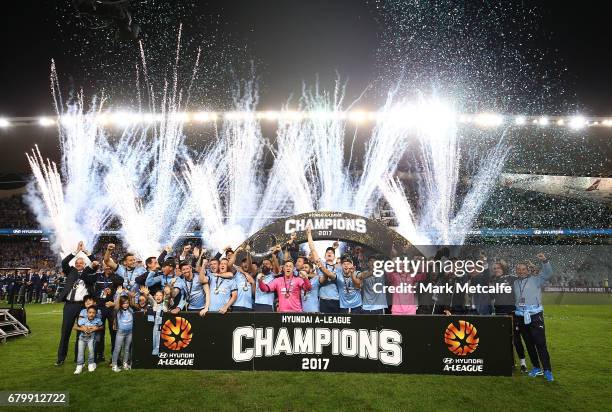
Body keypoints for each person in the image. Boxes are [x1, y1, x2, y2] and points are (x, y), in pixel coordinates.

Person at [55, 241, 99, 367]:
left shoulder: (89, 272)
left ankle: (78, 359)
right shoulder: (71, 271)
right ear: (75, 264)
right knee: (65, 332)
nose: (79, 265)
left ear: (85, 264)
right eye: (77, 263)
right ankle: (61, 358)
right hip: (70, 305)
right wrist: (76, 251)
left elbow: (95, 263)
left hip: (83, 307)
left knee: (81, 333)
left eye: (81, 263)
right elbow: (64, 263)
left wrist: (86, 252)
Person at [514, 253, 554, 381]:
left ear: (528, 270)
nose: (521, 272)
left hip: (535, 316)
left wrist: (545, 261)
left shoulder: (536, 279)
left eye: (523, 269)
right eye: (518, 270)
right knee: (529, 344)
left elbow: (548, 274)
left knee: (540, 344)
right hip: (520, 316)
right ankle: (536, 367)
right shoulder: (514, 282)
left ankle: (547, 370)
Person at [490, 259, 527, 373]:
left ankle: (523, 364)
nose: (496, 270)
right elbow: (492, 297)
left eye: (498, 268)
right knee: (503, 339)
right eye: (495, 268)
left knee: (516, 338)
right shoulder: (493, 281)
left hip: (512, 312)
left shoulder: (511, 278)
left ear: (503, 268)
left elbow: (523, 286)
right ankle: (509, 362)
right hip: (499, 312)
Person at [306, 228, 340, 313]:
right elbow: (313, 250)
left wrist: (322, 268)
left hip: (336, 299)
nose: (329, 253)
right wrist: (309, 234)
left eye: (332, 253)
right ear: (324, 257)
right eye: (327, 252)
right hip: (323, 299)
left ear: (334, 257)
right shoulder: (321, 263)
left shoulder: (338, 267)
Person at [94, 265, 124, 363]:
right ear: (103, 266)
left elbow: (121, 281)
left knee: (114, 332)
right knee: (99, 332)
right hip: (100, 307)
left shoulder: (116, 277)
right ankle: (99, 355)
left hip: (112, 307)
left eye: (109, 266)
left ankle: (115, 357)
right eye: (106, 265)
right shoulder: (98, 276)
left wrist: (113, 272)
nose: (108, 267)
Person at [73, 306, 103, 374]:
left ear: (96, 314)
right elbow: (76, 326)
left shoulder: (97, 320)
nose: (91, 314)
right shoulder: (83, 320)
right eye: (89, 312)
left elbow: (102, 326)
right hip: (82, 338)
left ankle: (90, 364)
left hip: (91, 339)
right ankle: (79, 366)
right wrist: (83, 328)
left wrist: (96, 328)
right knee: (80, 352)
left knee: (91, 351)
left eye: (93, 313)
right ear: (87, 313)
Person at [111, 287, 136, 372]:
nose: (126, 304)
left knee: (126, 348)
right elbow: (116, 303)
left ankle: (125, 363)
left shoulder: (130, 310)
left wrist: (129, 294)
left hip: (130, 332)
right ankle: (114, 365)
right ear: (121, 304)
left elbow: (133, 303)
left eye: (127, 303)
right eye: (124, 303)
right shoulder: (118, 310)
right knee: (117, 348)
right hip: (120, 332)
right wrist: (118, 293)